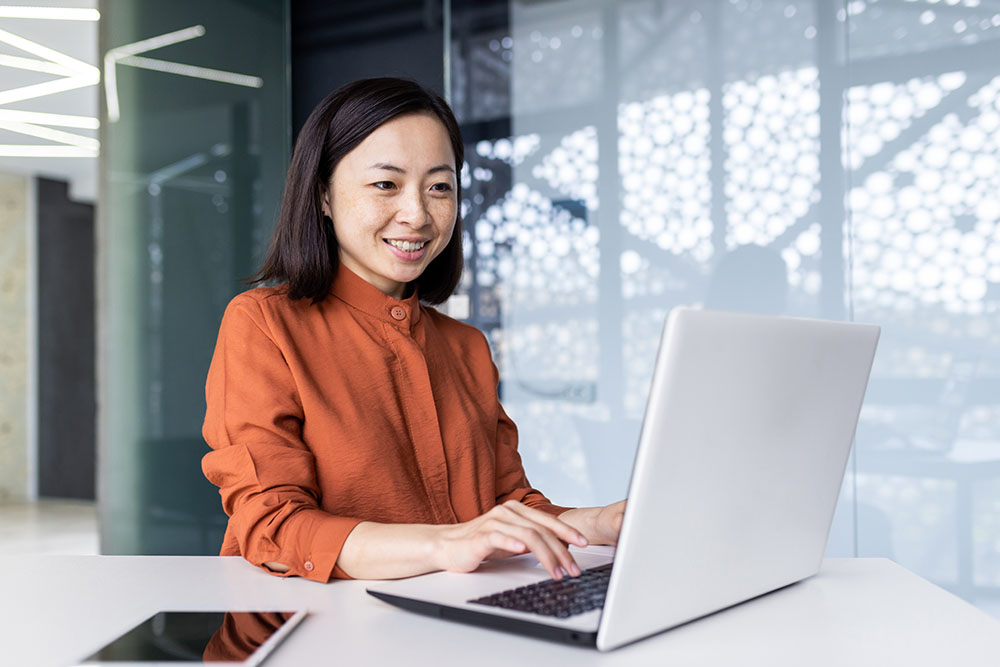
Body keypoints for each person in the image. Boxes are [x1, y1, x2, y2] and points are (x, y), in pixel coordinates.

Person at [201, 77, 625, 584]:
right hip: (315, 631)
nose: (418, 214)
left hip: (455, 621)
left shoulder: (466, 347)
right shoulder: (264, 324)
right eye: (386, 184)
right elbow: (272, 528)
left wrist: (599, 522)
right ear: (323, 195)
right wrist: (448, 542)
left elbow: (506, 507)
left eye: (439, 187)